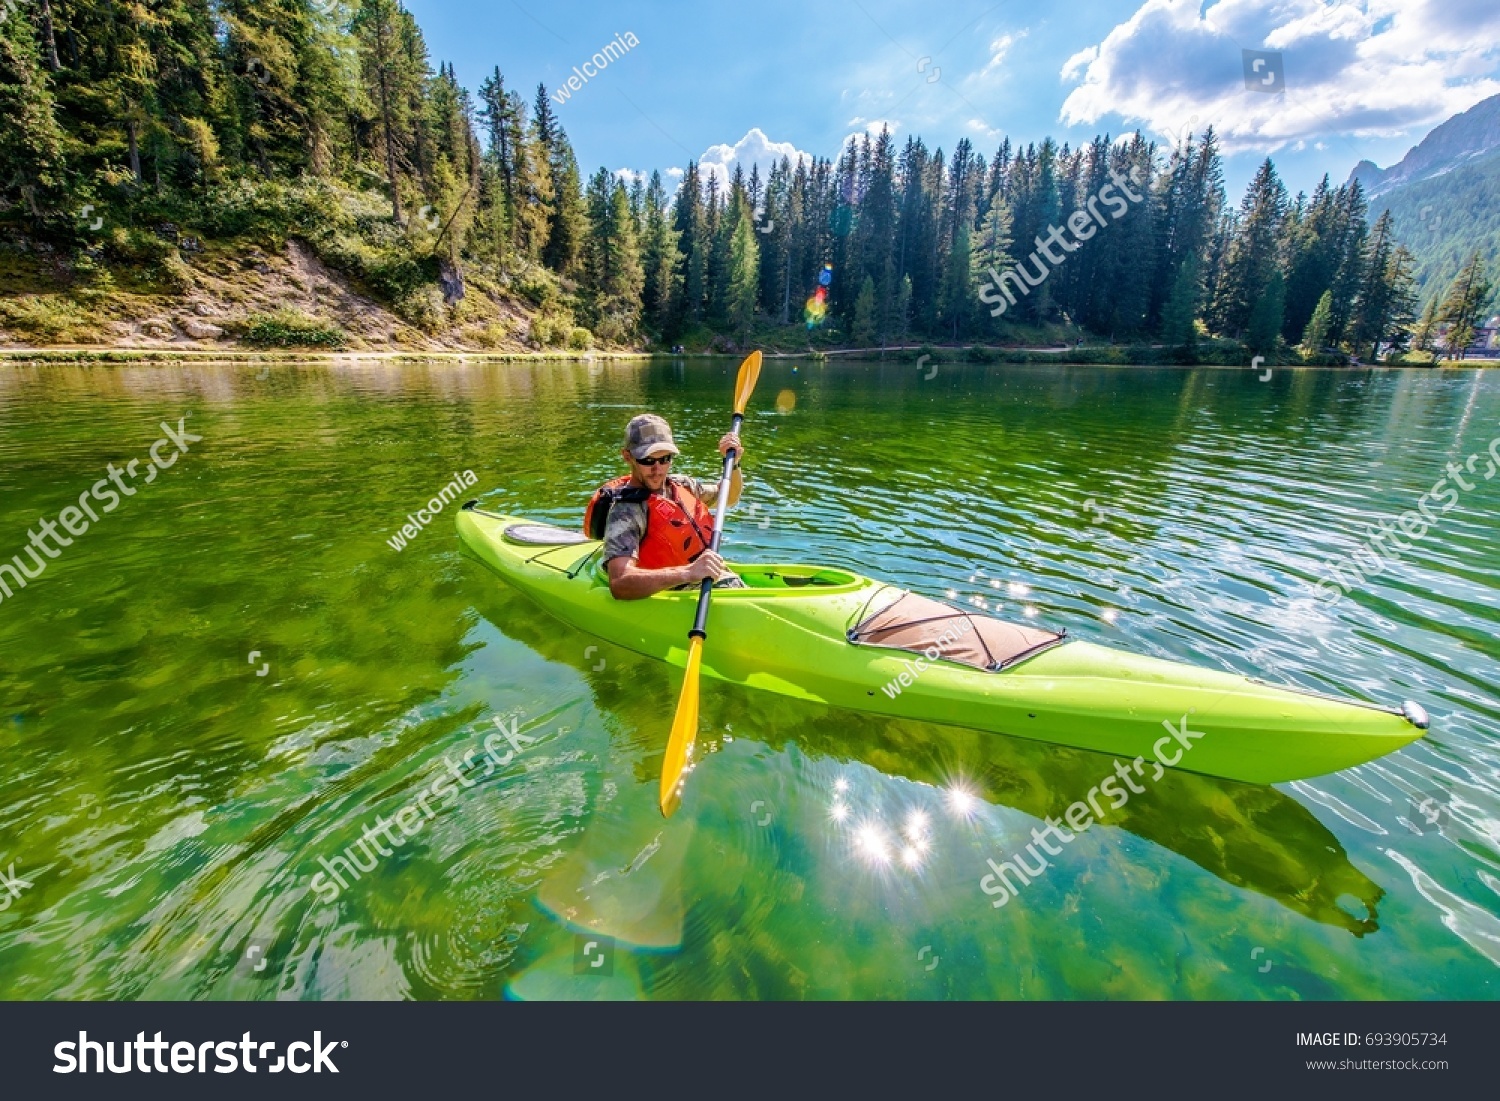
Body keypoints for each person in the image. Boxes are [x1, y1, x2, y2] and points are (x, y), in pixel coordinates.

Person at [584, 414, 746, 599]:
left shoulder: (682, 485)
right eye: (648, 460)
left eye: (665, 459)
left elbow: (729, 497)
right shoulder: (627, 511)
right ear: (627, 457)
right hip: (678, 596)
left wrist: (733, 463)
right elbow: (620, 583)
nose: (658, 469)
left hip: (716, 581)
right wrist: (688, 572)